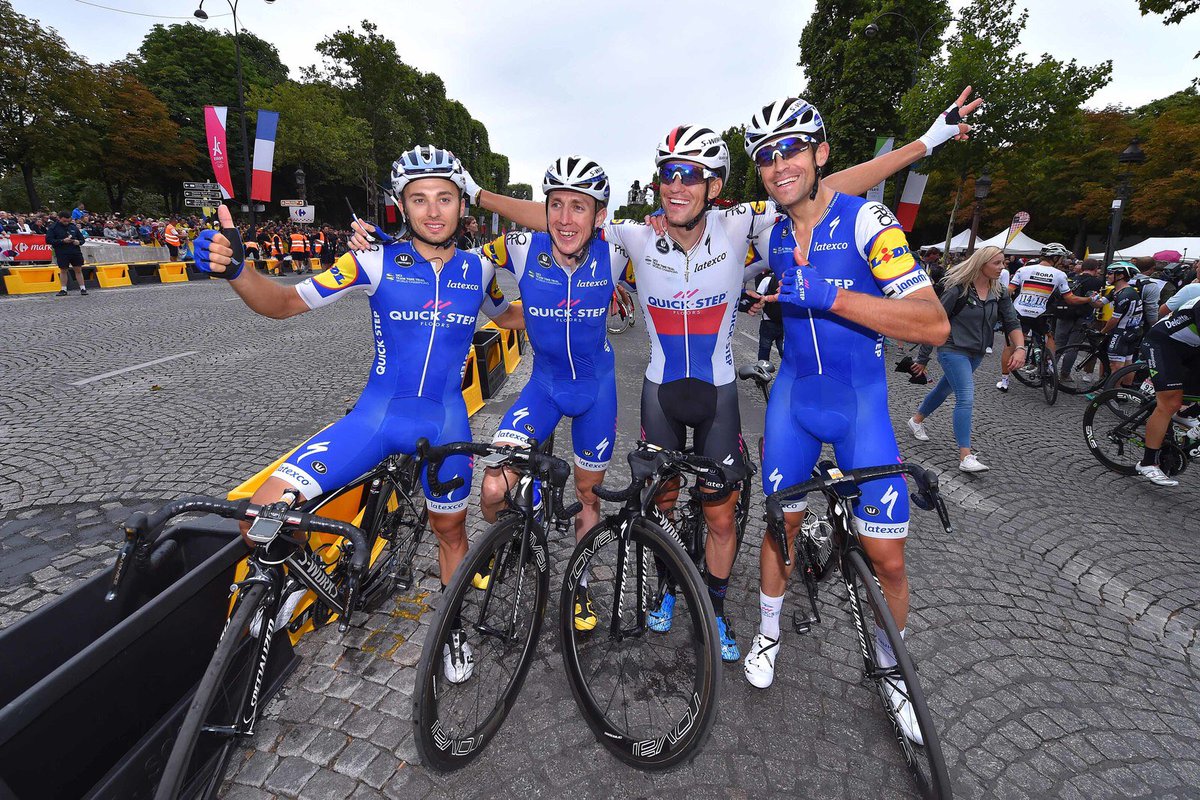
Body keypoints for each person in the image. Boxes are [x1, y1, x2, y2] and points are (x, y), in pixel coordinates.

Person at [465, 97, 975, 662]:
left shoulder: (743, 226)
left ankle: (713, 605)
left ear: (713, 187)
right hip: (659, 393)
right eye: (667, 175)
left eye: (690, 176)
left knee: (720, 513)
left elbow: (824, 190)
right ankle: (663, 590)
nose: (676, 186)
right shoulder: (635, 236)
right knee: (658, 500)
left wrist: (925, 143)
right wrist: (477, 196)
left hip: (719, 396)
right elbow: (565, 217)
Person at [193, 145, 525, 683]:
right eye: (419, 199)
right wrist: (236, 269)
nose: (434, 210)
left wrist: (554, 315)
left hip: (445, 426)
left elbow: (506, 313)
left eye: (445, 198)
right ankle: (301, 578)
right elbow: (281, 303)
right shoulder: (372, 259)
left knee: (451, 533)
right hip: (373, 420)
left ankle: (453, 627)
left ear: (463, 206)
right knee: (261, 514)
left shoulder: (479, 266)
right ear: (401, 205)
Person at [735, 95, 958, 748]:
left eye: (792, 150)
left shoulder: (869, 222)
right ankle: (769, 632)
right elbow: (806, 191)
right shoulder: (768, 229)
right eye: (767, 157)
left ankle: (893, 671)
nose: (779, 166)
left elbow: (933, 325)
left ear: (819, 153)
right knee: (781, 526)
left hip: (859, 404)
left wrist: (832, 295)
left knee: (888, 557)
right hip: (795, 403)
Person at [907, 246, 1023, 472]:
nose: (1002, 267)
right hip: (952, 349)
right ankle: (965, 456)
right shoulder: (958, 290)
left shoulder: (999, 292)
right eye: (997, 263)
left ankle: (916, 420)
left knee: (944, 389)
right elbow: (935, 322)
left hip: (976, 352)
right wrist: (923, 358)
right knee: (966, 397)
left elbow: (1012, 322)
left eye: (1003, 263)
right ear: (981, 264)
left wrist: (1020, 347)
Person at [997, 242, 1099, 392]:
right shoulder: (1060, 274)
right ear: (1056, 258)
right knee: (1049, 337)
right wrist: (1089, 299)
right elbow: (1071, 299)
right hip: (1040, 313)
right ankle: (1051, 366)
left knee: (1010, 346)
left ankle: (1004, 381)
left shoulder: (1023, 269)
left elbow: (1009, 291)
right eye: (1061, 258)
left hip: (1019, 311)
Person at [1136, 286, 1200, 486]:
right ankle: (1147, 462)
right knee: (1169, 402)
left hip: (1191, 348)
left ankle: (1187, 415)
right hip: (1163, 343)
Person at [1053, 258, 1104, 385]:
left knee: (1058, 344)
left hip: (1064, 314)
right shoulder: (1096, 282)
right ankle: (1065, 374)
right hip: (1082, 317)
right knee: (1073, 347)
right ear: (1096, 268)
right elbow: (1094, 302)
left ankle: (1048, 370)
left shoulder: (1071, 278)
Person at [1098, 261, 1144, 386]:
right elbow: (1099, 303)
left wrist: (1102, 332)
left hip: (1121, 332)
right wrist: (1091, 298)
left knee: (1116, 365)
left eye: (1110, 273)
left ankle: (1112, 393)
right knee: (1128, 362)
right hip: (1133, 331)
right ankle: (1125, 390)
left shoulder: (1125, 295)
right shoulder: (1118, 291)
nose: (1107, 275)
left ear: (1120, 276)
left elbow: (1114, 319)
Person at [745, 271, 784, 363]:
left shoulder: (768, 279)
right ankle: (790, 373)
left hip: (768, 320)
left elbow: (758, 296)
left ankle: (762, 372)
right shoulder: (792, 280)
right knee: (784, 352)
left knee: (764, 349)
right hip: (785, 322)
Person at [47, 210, 88, 296]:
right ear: (59, 218)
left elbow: (82, 239)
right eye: (64, 221)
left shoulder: (73, 226)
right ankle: (63, 289)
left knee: (78, 269)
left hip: (75, 251)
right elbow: (49, 240)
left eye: (68, 221)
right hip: (62, 251)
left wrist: (78, 242)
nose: (66, 223)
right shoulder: (53, 227)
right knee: (63, 270)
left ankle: (83, 288)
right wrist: (62, 241)